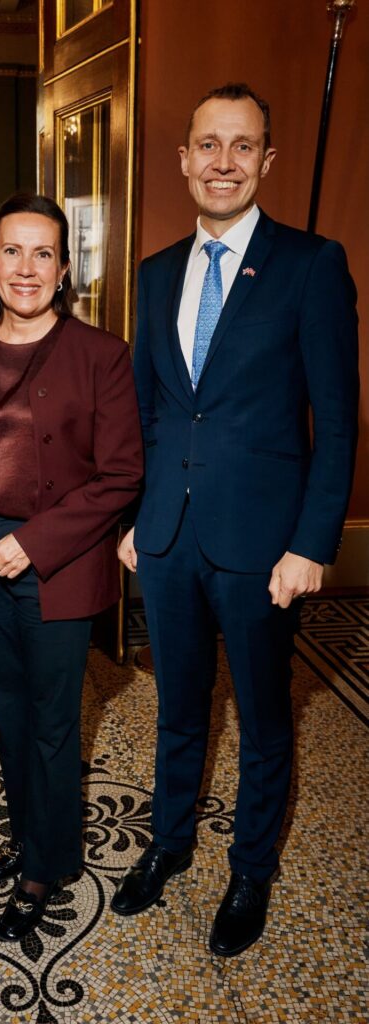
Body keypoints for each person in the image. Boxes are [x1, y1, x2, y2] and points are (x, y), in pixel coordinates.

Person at [113, 83, 359, 957]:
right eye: (206, 145)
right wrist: (136, 518)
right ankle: (169, 847)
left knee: (261, 717)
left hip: (265, 549)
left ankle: (251, 869)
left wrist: (310, 543)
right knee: (178, 709)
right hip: (170, 542)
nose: (222, 162)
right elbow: (148, 413)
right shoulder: (152, 274)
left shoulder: (311, 264)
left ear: (266, 161)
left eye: (241, 146)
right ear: (183, 160)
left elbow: (334, 422)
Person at [0, 193, 142, 942]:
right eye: (12, 251)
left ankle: (46, 863)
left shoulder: (101, 355)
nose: (26, 267)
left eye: (43, 253)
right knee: (7, 712)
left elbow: (120, 475)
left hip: (56, 564)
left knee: (53, 724)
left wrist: (36, 542)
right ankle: (27, 837)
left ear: (63, 269)